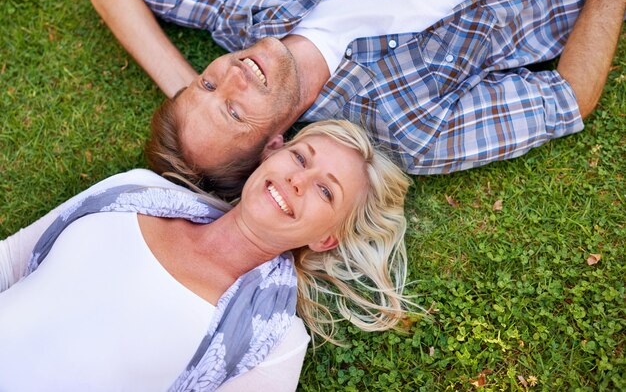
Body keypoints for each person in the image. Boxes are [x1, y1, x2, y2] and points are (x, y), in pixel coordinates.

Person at [82, 0, 626, 197]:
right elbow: (568, 98)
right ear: (277, 144)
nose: (233, 75)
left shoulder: (248, 12)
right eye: (234, 111)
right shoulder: (410, 127)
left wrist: (189, 94)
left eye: (207, 84)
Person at [0, 120, 412, 391]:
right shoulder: (137, 190)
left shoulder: (276, 341)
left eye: (326, 191)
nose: (297, 179)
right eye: (300, 157)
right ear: (272, 154)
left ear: (326, 239)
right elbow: (11, 260)